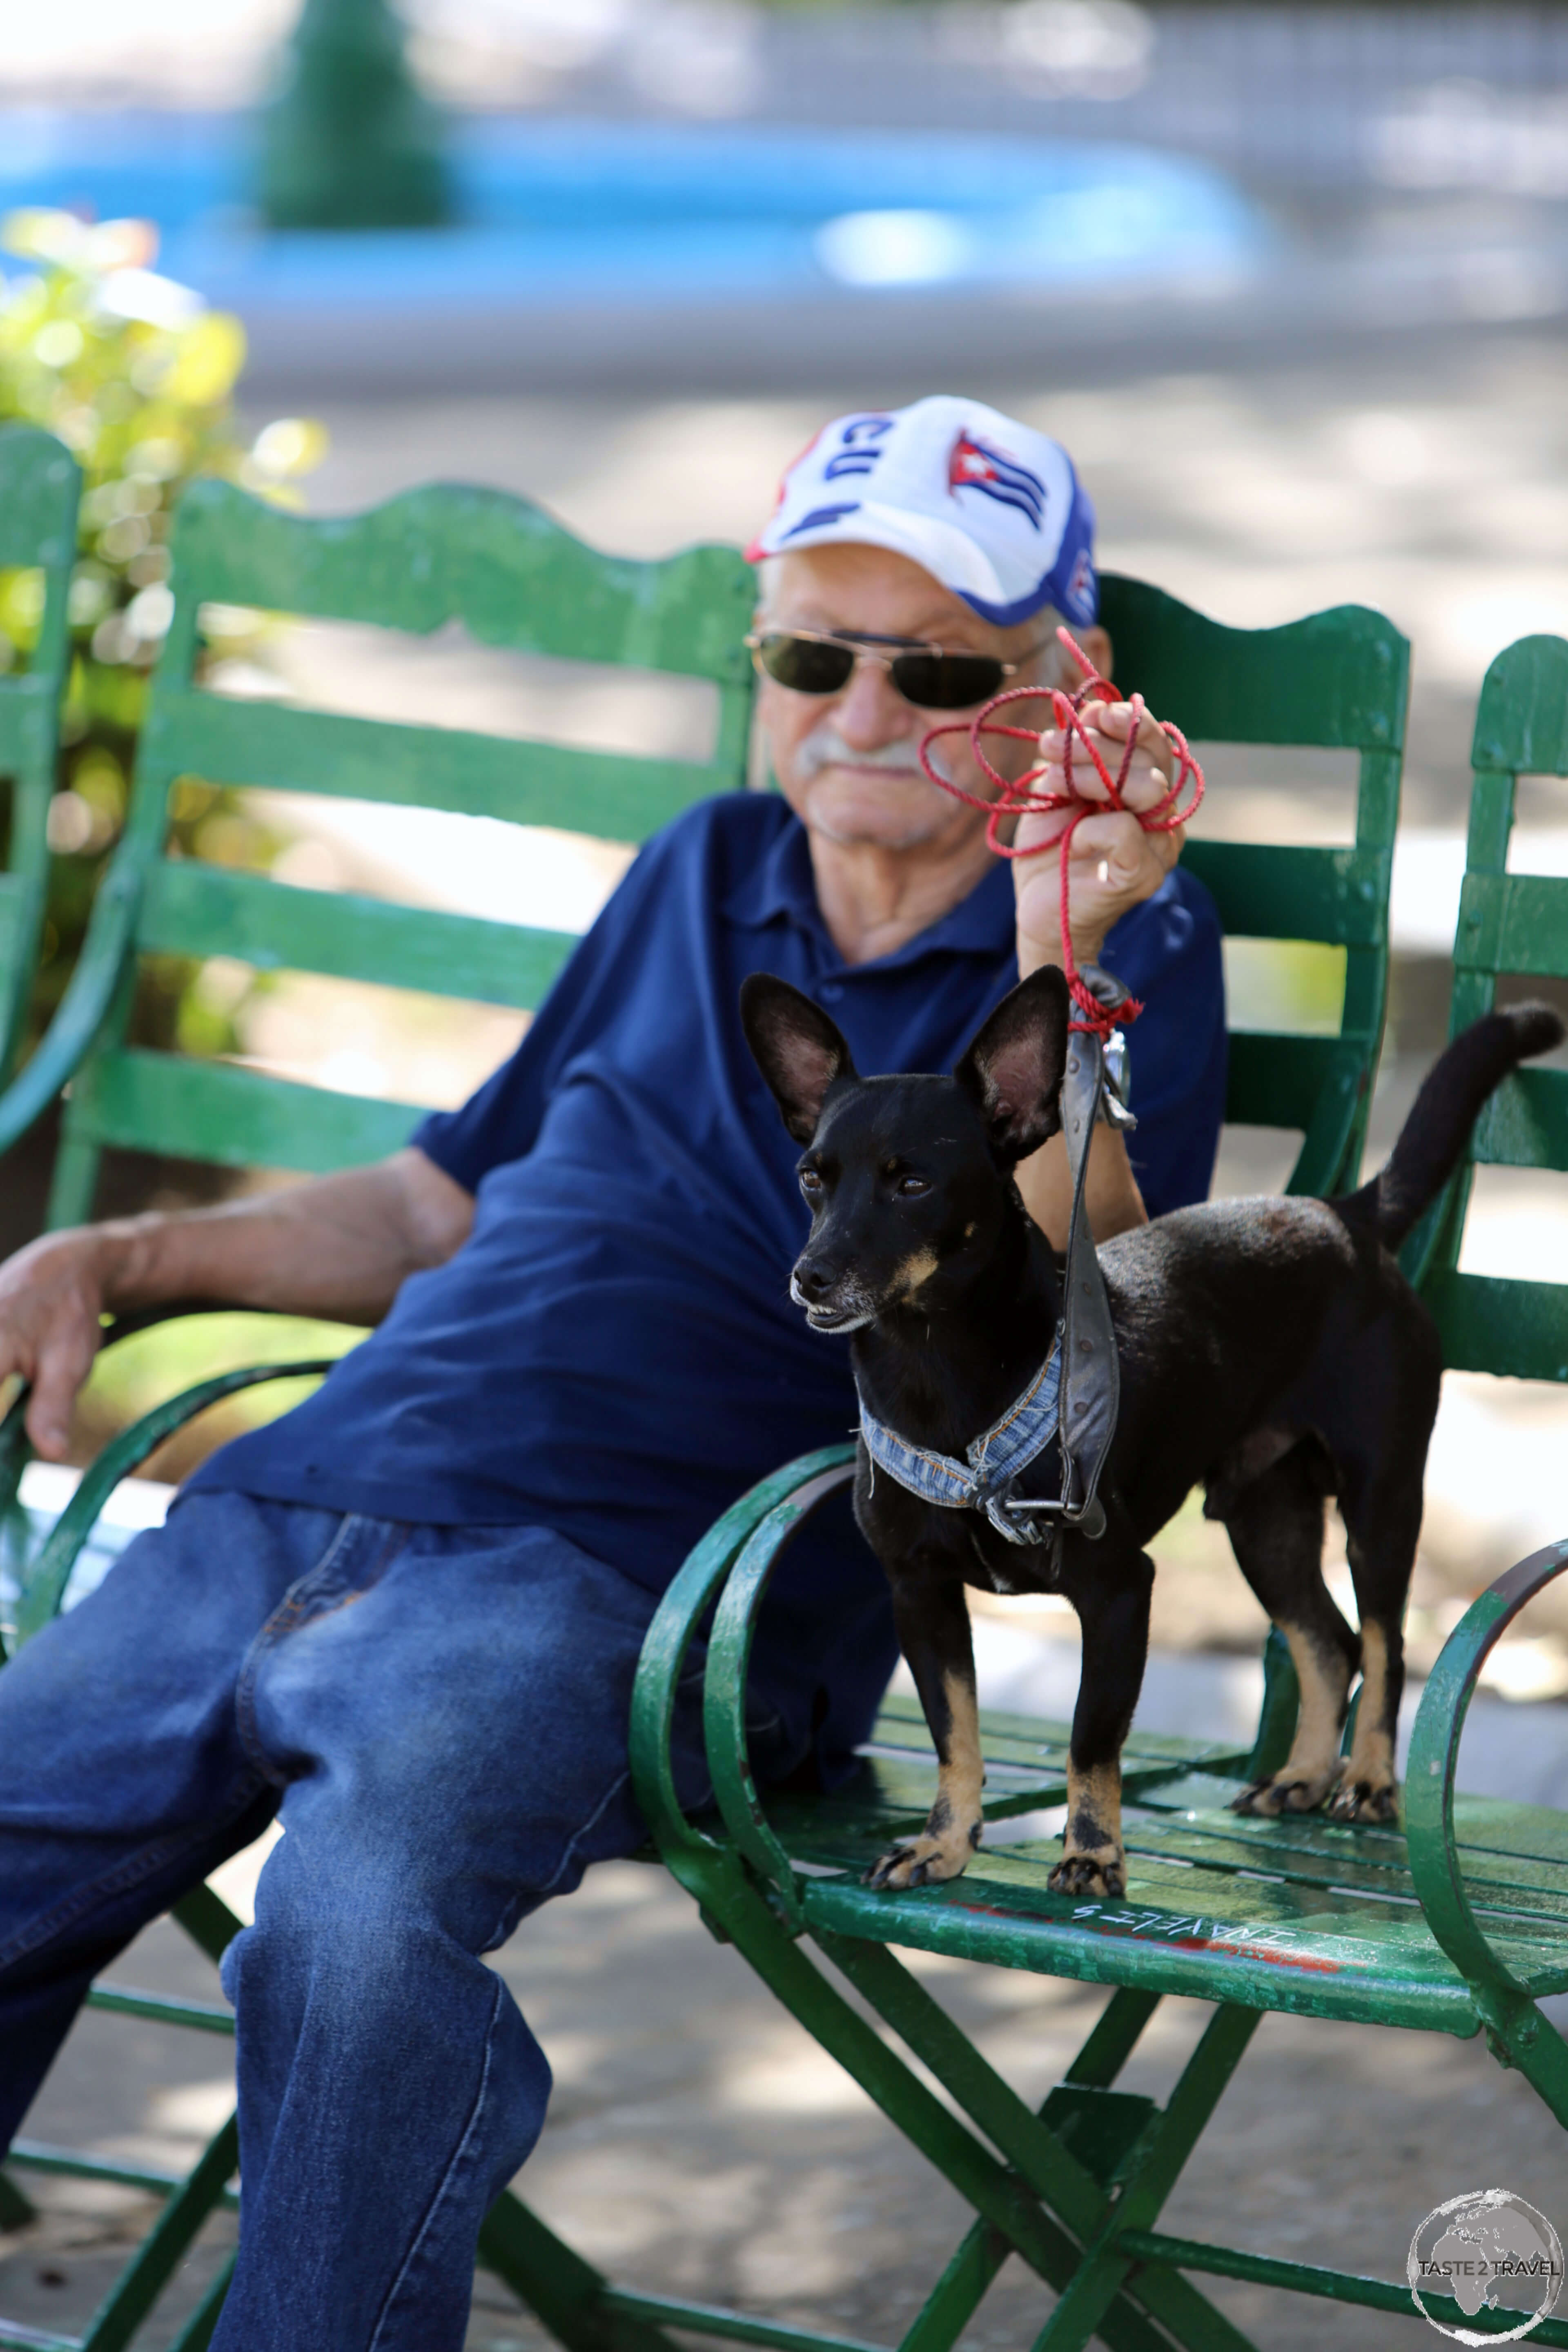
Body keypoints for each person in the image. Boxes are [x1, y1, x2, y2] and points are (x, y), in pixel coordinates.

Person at [0, 396, 1225, 2350]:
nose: (858, 706)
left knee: (356, 1921)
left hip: (627, 1574)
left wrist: (1064, 941)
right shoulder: (704, 865)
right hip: (311, 1485)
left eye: (942, 668)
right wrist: (113, 1259)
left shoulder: (1099, 957)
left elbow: (1110, 1319)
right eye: (810, 654)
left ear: (1068, 687)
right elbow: (428, 1206)